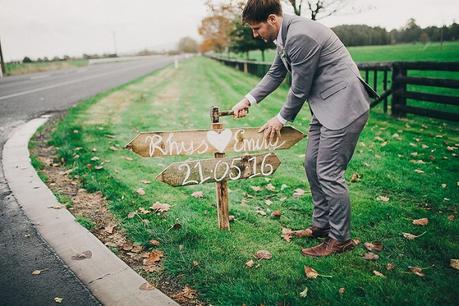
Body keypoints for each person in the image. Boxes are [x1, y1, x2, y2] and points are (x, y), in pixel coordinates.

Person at [232, 0, 378, 257]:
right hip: (325, 107)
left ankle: (340, 238)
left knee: (329, 172)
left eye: (257, 28)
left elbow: (300, 87)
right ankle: (321, 226)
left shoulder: (300, 35)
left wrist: (280, 119)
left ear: (272, 19)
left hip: (345, 106)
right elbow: (275, 74)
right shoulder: (285, 35)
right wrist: (248, 99)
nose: (255, 34)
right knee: (312, 164)